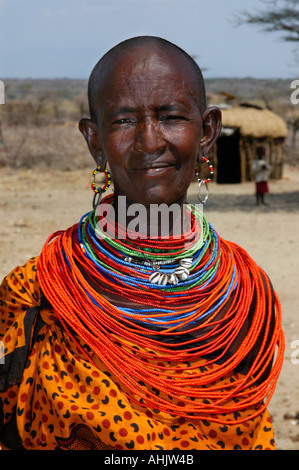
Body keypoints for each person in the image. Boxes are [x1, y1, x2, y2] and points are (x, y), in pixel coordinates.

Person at [0, 36, 284, 451]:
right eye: (123, 121)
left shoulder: (245, 297)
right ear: (94, 140)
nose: (150, 141)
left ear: (206, 132)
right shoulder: (36, 294)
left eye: (170, 116)